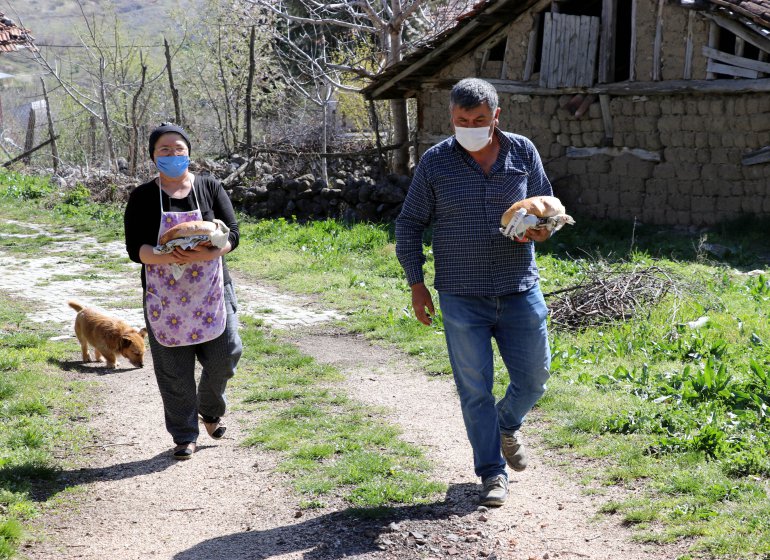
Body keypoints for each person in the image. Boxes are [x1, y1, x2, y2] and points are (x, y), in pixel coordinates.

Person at [395, 78, 552, 506]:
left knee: (535, 377)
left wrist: (540, 229)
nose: (470, 126)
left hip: (519, 288)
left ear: (495, 117)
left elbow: (547, 205)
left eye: (479, 120)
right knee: (475, 388)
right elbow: (409, 224)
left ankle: (505, 423)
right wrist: (416, 283)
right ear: (452, 117)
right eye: (462, 120)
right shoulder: (435, 163)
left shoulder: (522, 151)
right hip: (462, 295)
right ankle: (491, 473)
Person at [124, 123, 242, 460]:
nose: (173, 155)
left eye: (179, 148)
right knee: (174, 369)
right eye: (164, 150)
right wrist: (163, 255)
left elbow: (233, 233)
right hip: (165, 296)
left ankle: (209, 407)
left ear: (189, 152)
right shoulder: (143, 197)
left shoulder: (209, 186)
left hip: (214, 289)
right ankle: (185, 435)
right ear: (153, 156)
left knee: (227, 353)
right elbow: (136, 249)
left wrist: (210, 252)